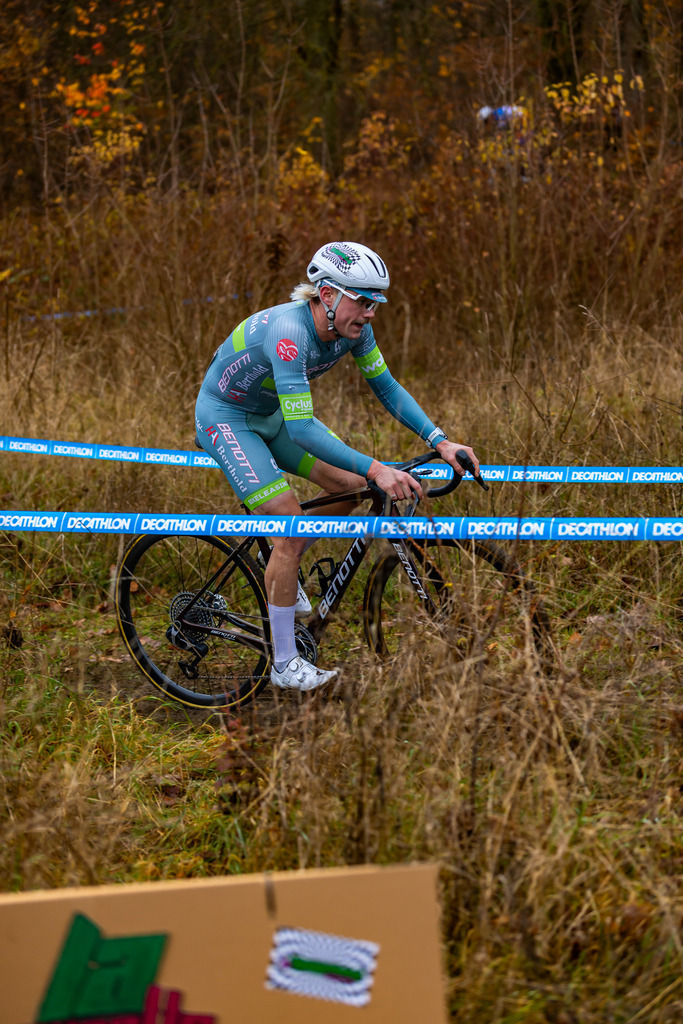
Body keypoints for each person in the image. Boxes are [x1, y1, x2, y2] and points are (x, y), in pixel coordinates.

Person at [195, 241, 480, 692]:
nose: (370, 314)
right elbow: (304, 428)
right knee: (293, 526)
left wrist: (439, 441)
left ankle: (280, 562)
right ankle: (284, 664)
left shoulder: (354, 330)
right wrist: (378, 468)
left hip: (269, 417)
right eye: (362, 302)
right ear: (327, 295)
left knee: (348, 487)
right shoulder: (290, 334)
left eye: (375, 304)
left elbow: (386, 386)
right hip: (226, 419)